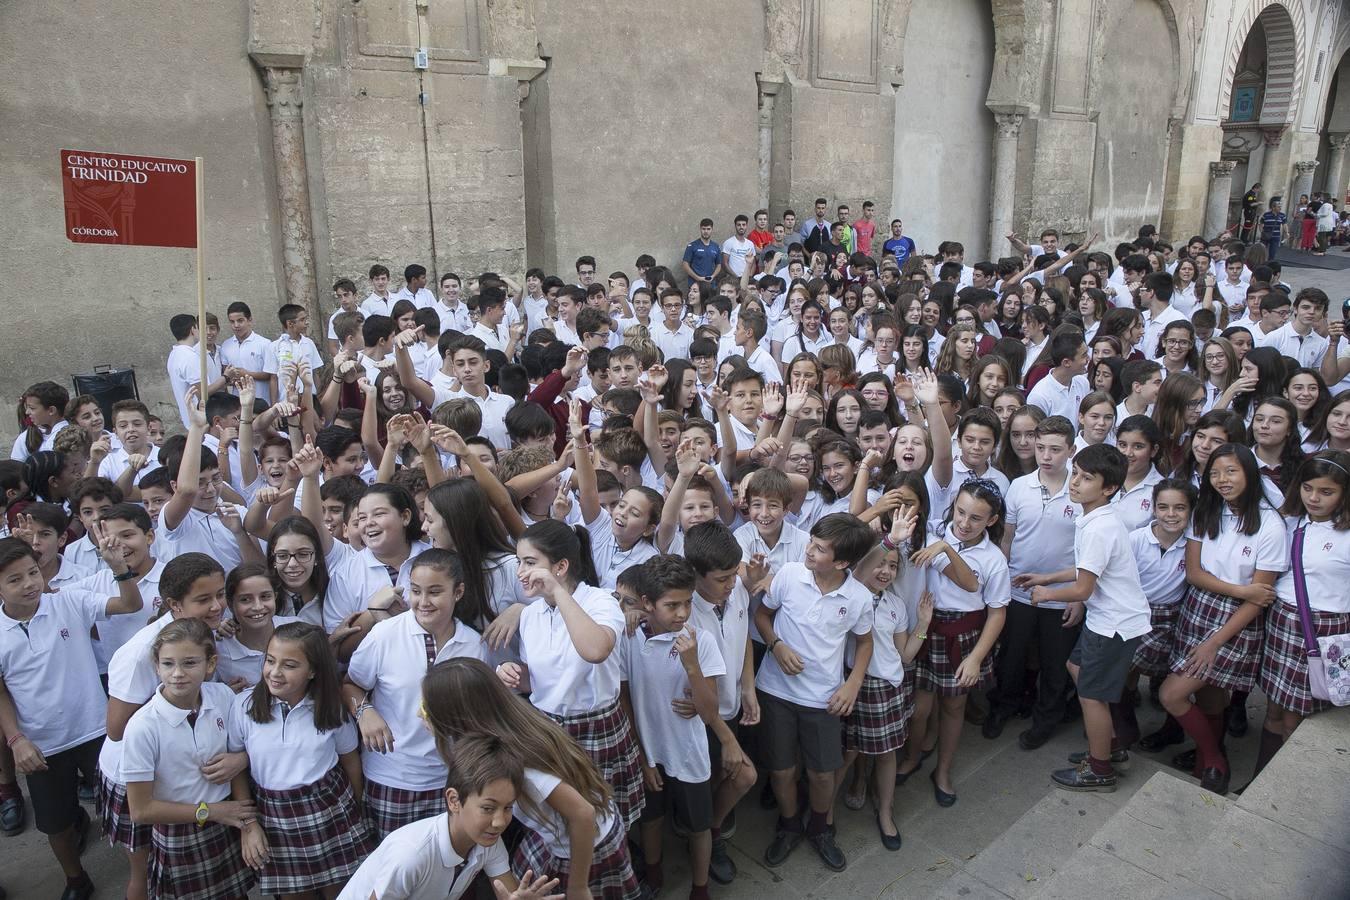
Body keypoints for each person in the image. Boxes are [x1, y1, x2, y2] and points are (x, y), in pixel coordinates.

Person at [0, 531, 144, 900]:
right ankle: (76, 879)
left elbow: (129, 605)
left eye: (33, 572)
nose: (30, 584)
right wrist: (16, 739)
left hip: (97, 729)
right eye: (14, 579)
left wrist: (120, 570)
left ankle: (142, 875)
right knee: (56, 824)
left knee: (128, 808)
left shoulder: (69, 601)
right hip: (43, 745)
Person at [423, 659, 643, 899]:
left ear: (454, 718)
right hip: (573, 831)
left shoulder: (519, 763)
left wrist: (578, 887)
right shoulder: (513, 721)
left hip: (586, 845)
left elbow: (583, 814)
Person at [498, 520, 645, 832]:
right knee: (558, 826)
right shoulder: (532, 613)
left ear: (561, 566)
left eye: (530, 563)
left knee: (600, 825)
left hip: (595, 727)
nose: (521, 572)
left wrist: (555, 591)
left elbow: (595, 649)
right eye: (519, 562)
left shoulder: (600, 601)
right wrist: (514, 674)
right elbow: (539, 679)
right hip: (547, 728)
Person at [1159, 444, 1287, 794]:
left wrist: (1215, 642)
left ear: (1249, 472)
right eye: (1214, 473)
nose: (1221, 480)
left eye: (1231, 471)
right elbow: (1194, 573)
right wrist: (1242, 590)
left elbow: (1261, 598)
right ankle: (1209, 756)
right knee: (1210, 695)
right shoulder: (1208, 510)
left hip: (1236, 621)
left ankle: (1214, 758)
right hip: (1199, 606)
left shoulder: (1270, 524)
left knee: (1173, 694)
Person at [754, 513, 876, 871]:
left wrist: (852, 684)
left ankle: (821, 827)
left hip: (823, 699)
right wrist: (776, 645)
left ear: (842, 563)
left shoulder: (857, 598)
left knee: (822, 773)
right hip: (776, 691)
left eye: (820, 549)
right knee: (781, 770)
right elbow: (762, 616)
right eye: (811, 542)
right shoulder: (790, 576)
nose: (809, 551)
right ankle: (789, 824)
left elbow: (865, 643)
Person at [1028, 444, 1152, 792]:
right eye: (1076, 474)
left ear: (1109, 488)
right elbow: (1088, 568)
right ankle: (1109, 747)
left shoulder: (1099, 527)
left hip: (1113, 624)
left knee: (1091, 696)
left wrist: (1046, 595)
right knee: (1076, 667)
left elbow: (1083, 589)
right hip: (1106, 619)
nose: (1075, 483)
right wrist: (1047, 578)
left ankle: (1099, 769)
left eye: (1086, 478)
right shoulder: (1096, 517)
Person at [342, 549, 486, 839]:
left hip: (449, 780)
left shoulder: (474, 645)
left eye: (435, 592)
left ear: (458, 592)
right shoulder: (385, 635)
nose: (423, 602)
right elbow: (349, 684)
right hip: (390, 777)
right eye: (416, 591)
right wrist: (364, 712)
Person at [121, 618, 257, 900]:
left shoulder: (222, 697)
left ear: (210, 664)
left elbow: (235, 760)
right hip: (180, 834)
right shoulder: (142, 727)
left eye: (190, 663)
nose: (177, 674)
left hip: (226, 823)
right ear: (156, 665)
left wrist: (246, 819)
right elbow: (141, 810)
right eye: (168, 664)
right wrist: (211, 811)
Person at [895, 480, 1009, 806]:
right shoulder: (932, 532)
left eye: (975, 518)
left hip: (964, 635)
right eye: (960, 511)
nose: (963, 523)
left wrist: (975, 658)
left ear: (991, 520)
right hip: (924, 626)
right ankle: (914, 756)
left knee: (954, 706)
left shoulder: (993, 559)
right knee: (919, 708)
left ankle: (942, 770)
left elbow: (996, 613)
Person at [338, 732, 560, 900]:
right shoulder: (412, 855)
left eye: (508, 807)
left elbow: (508, 892)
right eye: (488, 808)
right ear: (454, 800)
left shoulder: (487, 842)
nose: (500, 822)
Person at [619, 555, 726, 900]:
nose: (682, 613)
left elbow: (710, 712)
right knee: (651, 820)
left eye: (688, 603)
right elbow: (625, 700)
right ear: (648, 603)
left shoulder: (701, 641)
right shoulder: (629, 637)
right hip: (649, 752)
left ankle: (700, 887)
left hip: (690, 753)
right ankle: (653, 876)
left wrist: (692, 665)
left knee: (699, 826)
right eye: (672, 605)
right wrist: (644, 758)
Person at [987, 415, 1081, 748]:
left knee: (1055, 666)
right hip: (1019, 592)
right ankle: (1004, 706)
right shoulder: (1018, 487)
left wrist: (1079, 597)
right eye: (1041, 448)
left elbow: (1088, 552)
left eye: (1055, 449)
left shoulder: (1081, 491)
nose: (1046, 455)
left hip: (1062, 595)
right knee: (1011, 657)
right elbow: (1007, 540)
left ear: (1071, 449)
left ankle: (1045, 721)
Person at [682, 219, 722, 288]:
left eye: (708, 229)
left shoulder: (716, 247)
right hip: (695, 284)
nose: (706, 231)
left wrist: (713, 276)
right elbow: (685, 264)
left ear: (712, 229)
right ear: (700, 229)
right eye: (703, 229)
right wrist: (697, 277)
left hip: (711, 284)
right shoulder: (692, 246)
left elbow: (719, 265)